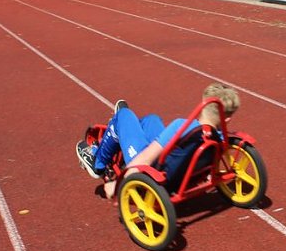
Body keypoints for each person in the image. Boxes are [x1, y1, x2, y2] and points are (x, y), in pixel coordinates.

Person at [76, 84, 241, 196]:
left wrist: (117, 185)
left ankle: (98, 162)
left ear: (204, 105)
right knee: (151, 120)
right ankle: (126, 131)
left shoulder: (182, 126)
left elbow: (145, 158)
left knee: (123, 116)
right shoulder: (219, 139)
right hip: (182, 169)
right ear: (226, 119)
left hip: (156, 171)